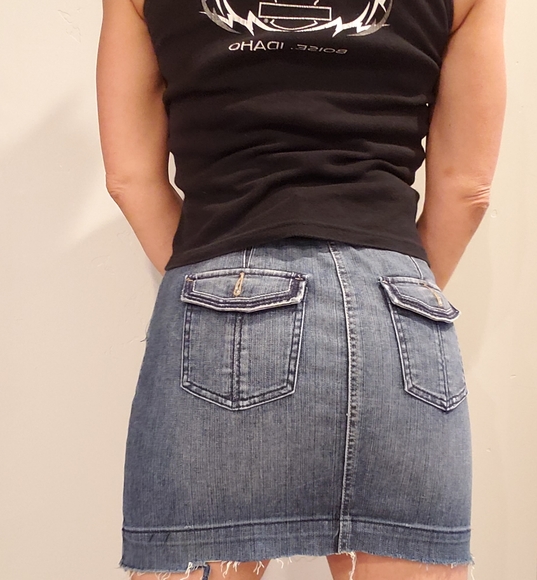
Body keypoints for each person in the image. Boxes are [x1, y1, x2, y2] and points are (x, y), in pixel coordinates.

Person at [96, 0, 506, 577]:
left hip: (221, 285)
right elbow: (467, 190)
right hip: (399, 307)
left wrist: (217, 284)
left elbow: (130, 178)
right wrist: (394, 293)